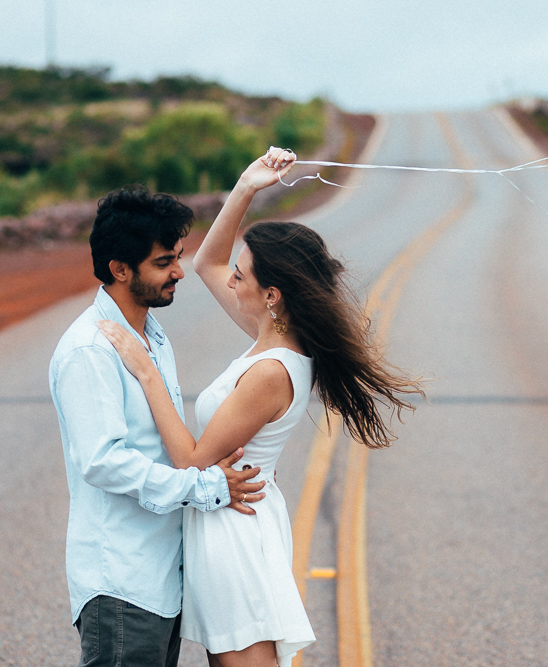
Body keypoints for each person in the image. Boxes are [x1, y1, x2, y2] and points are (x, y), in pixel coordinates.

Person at [98, 147, 425, 667]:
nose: (229, 280)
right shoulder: (272, 340)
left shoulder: (272, 372)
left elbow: (192, 462)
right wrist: (248, 186)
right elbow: (207, 260)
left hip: (235, 532)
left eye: (241, 275)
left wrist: (147, 372)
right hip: (226, 522)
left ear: (272, 294)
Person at [49, 185, 269, 667]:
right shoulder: (91, 350)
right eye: (164, 262)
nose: (178, 272)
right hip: (122, 583)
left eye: (178, 258)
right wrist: (204, 487)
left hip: (160, 577)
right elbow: (103, 462)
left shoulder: (151, 335)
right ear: (120, 269)